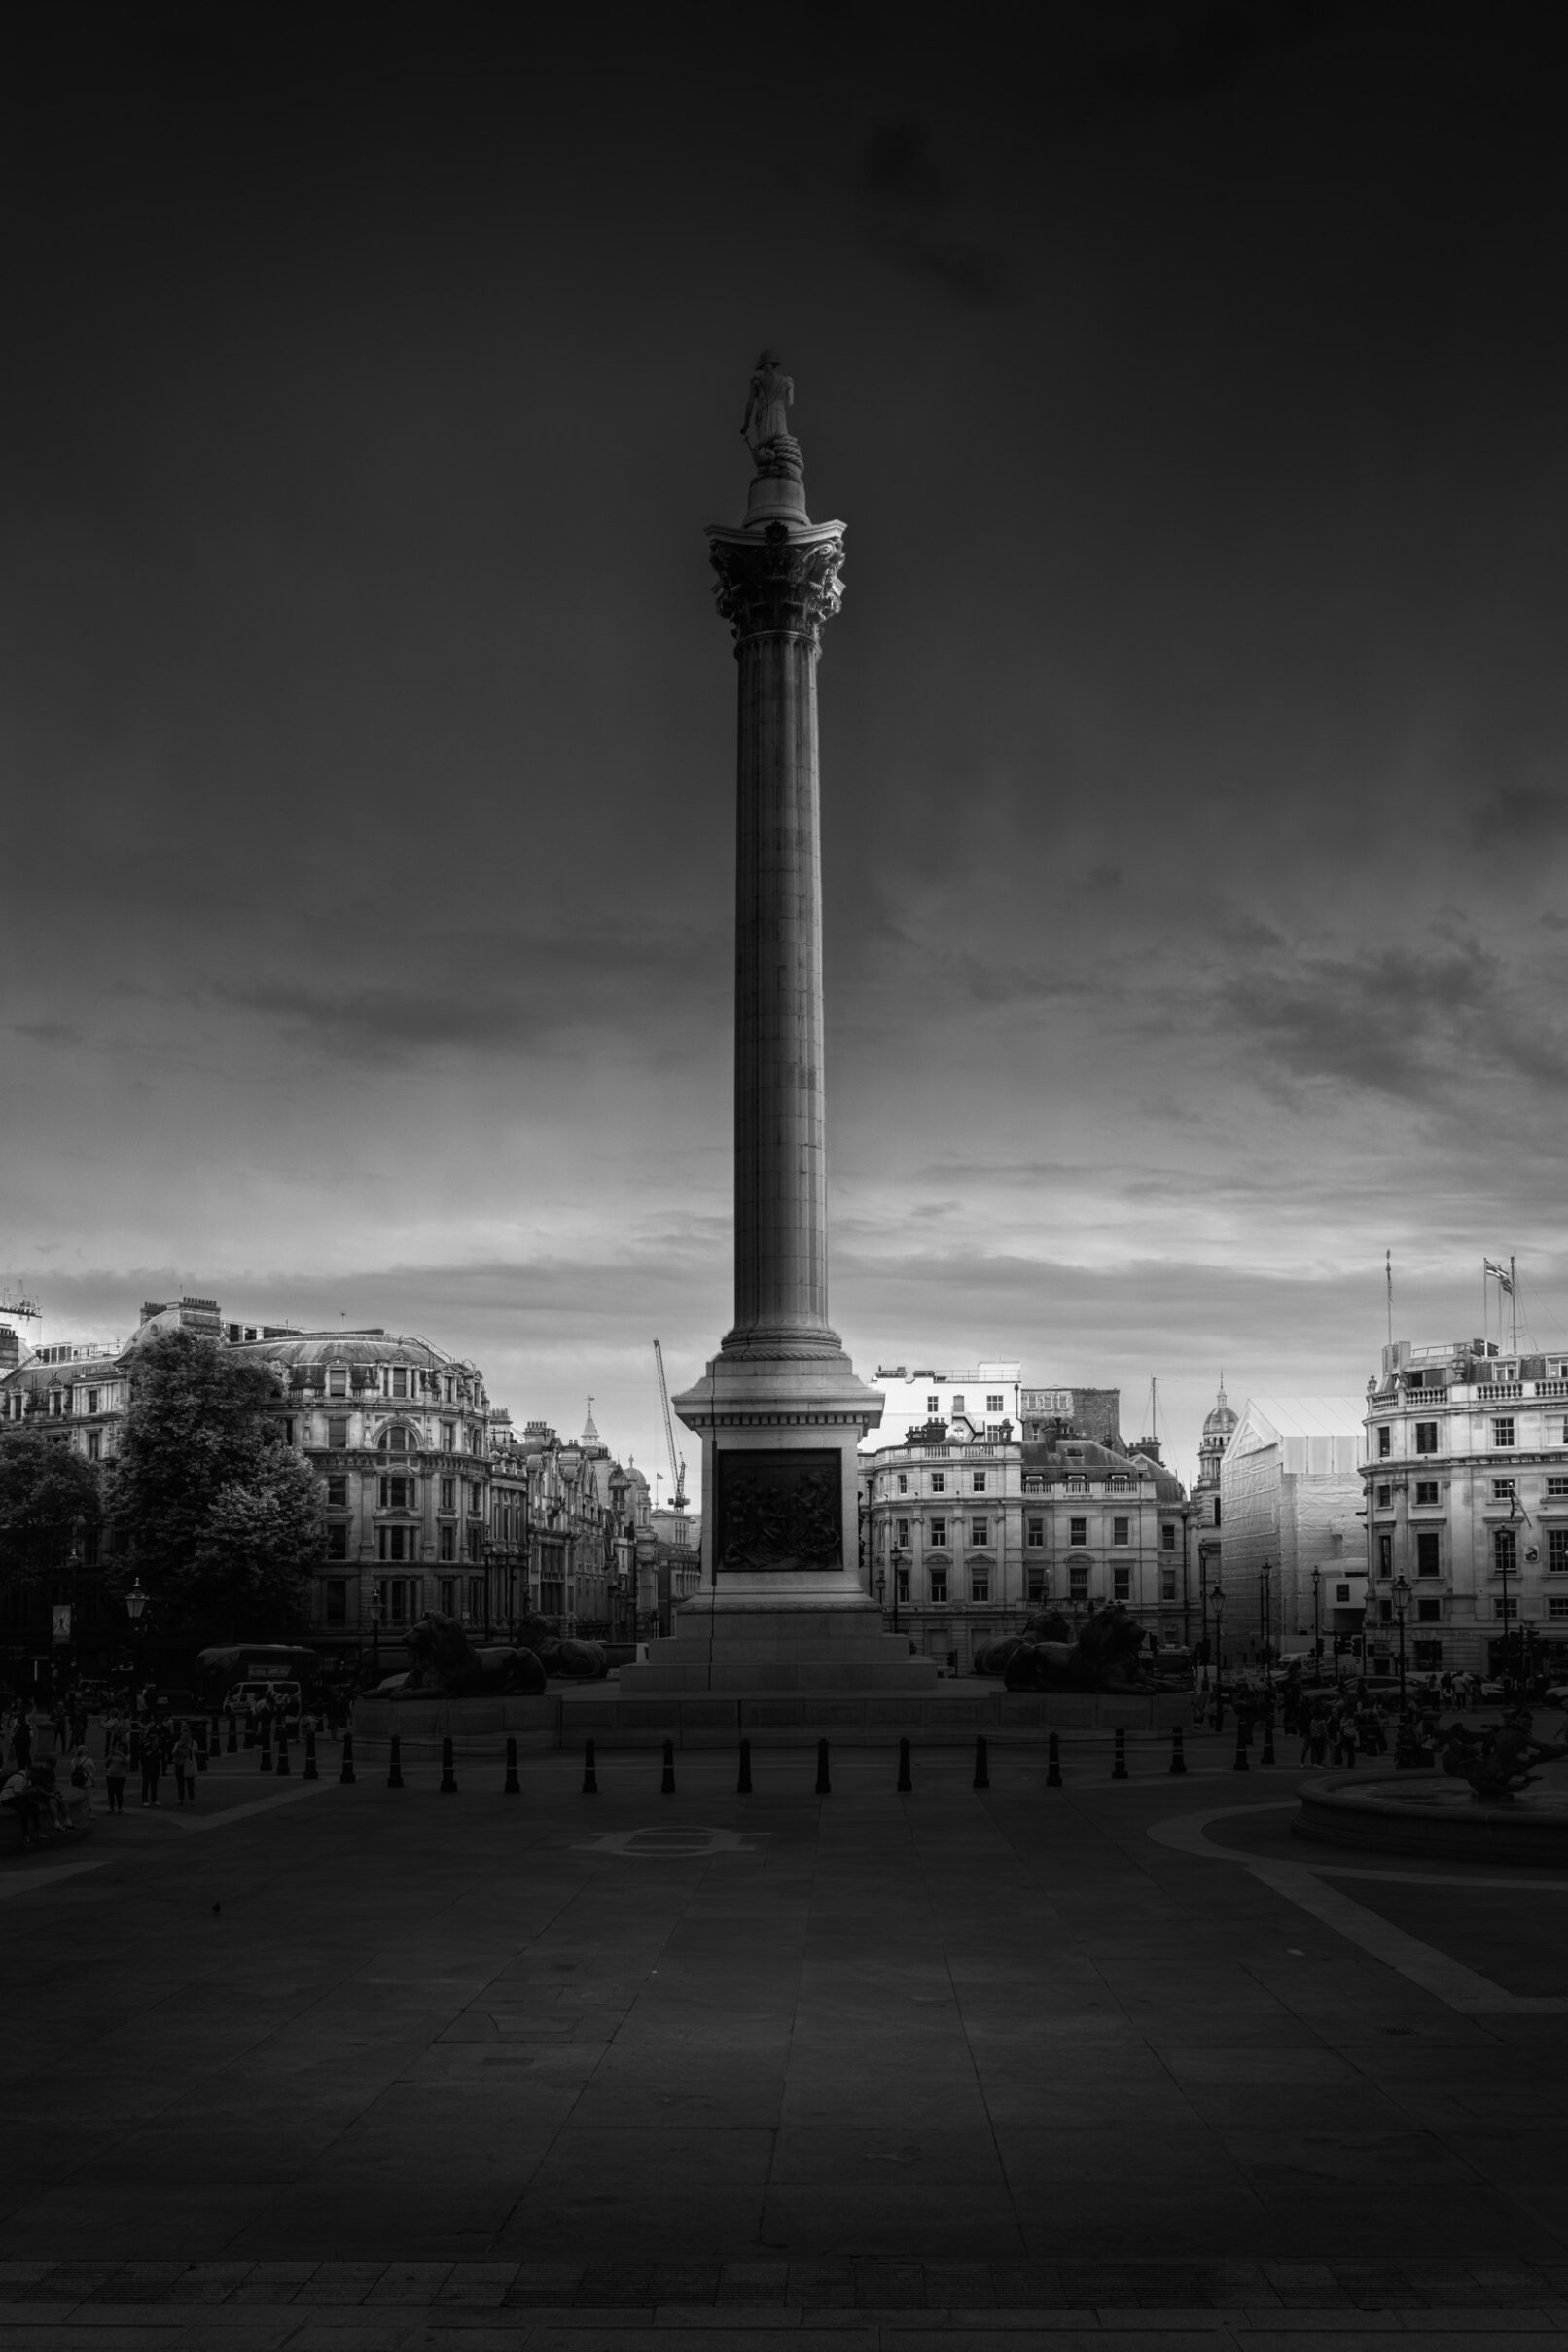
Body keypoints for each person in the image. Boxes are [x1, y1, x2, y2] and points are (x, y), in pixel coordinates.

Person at [103, 1723, 128, 1815]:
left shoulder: (126, 1755)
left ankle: (120, 1808)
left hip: (120, 1776)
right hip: (110, 1775)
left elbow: (126, 1762)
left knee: (118, 1792)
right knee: (110, 1793)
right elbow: (106, 1764)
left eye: (121, 1748)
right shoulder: (113, 1754)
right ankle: (111, 1808)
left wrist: (120, 1753)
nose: (119, 1749)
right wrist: (110, 1756)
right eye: (118, 1748)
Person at [171, 1725, 196, 1806]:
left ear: (189, 1735)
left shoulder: (192, 1742)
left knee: (190, 1784)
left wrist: (188, 1747)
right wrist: (178, 1746)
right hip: (179, 1765)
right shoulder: (178, 1743)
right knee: (180, 1784)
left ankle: (191, 1800)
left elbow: (195, 1751)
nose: (184, 1736)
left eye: (186, 1734)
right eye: (183, 1734)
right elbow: (173, 1752)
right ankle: (181, 1799)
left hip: (188, 1765)